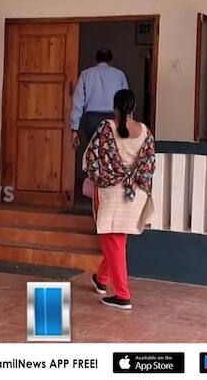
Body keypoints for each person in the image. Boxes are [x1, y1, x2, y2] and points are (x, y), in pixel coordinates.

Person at [82, 89, 155, 310]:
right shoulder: (145, 131)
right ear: (134, 107)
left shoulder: (106, 128)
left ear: (114, 106)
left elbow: (92, 159)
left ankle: (122, 296)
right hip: (135, 194)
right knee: (117, 240)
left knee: (113, 241)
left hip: (111, 193)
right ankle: (101, 279)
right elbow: (150, 165)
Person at [71, 48, 129, 149]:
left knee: (94, 151)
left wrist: (74, 129)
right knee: (112, 151)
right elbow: (126, 100)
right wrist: (127, 122)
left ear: (95, 60)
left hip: (92, 119)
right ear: (111, 61)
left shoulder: (85, 74)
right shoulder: (119, 74)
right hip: (113, 118)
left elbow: (78, 102)